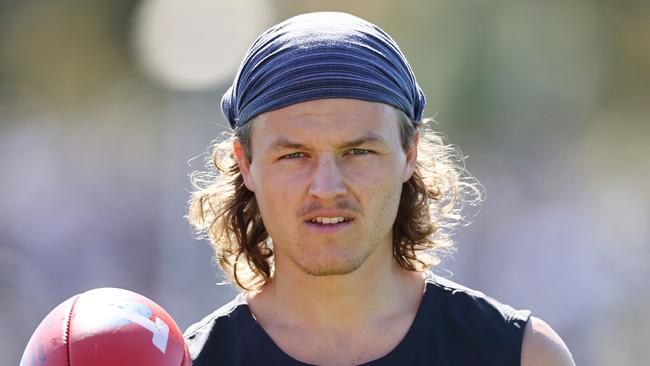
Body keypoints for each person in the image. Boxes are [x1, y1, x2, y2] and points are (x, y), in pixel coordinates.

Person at [183, 11, 575, 366]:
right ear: (246, 163)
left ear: (409, 152)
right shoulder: (192, 361)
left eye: (358, 151)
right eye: (294, 155)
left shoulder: (520, 355)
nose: (326, 187)